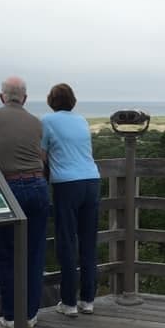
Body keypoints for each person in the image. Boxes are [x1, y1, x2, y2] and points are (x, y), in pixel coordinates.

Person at [0, 76, 49, 328]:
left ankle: (10, 316)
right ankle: (30, 315)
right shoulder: (36, 122)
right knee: (35, 252)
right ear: (25, 99)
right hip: (38, 186)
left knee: (7, 254)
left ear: (2, 97)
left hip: (7, 189)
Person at [41, 83, 100, 316]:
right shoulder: (82, 120)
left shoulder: (46, 121)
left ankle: (69, 302)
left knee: (66, 242)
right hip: (92, 181)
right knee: (88, 241)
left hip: (67, 184)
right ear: (73, 101)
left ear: (50, 101)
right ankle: (88, 299)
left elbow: (42, 156)